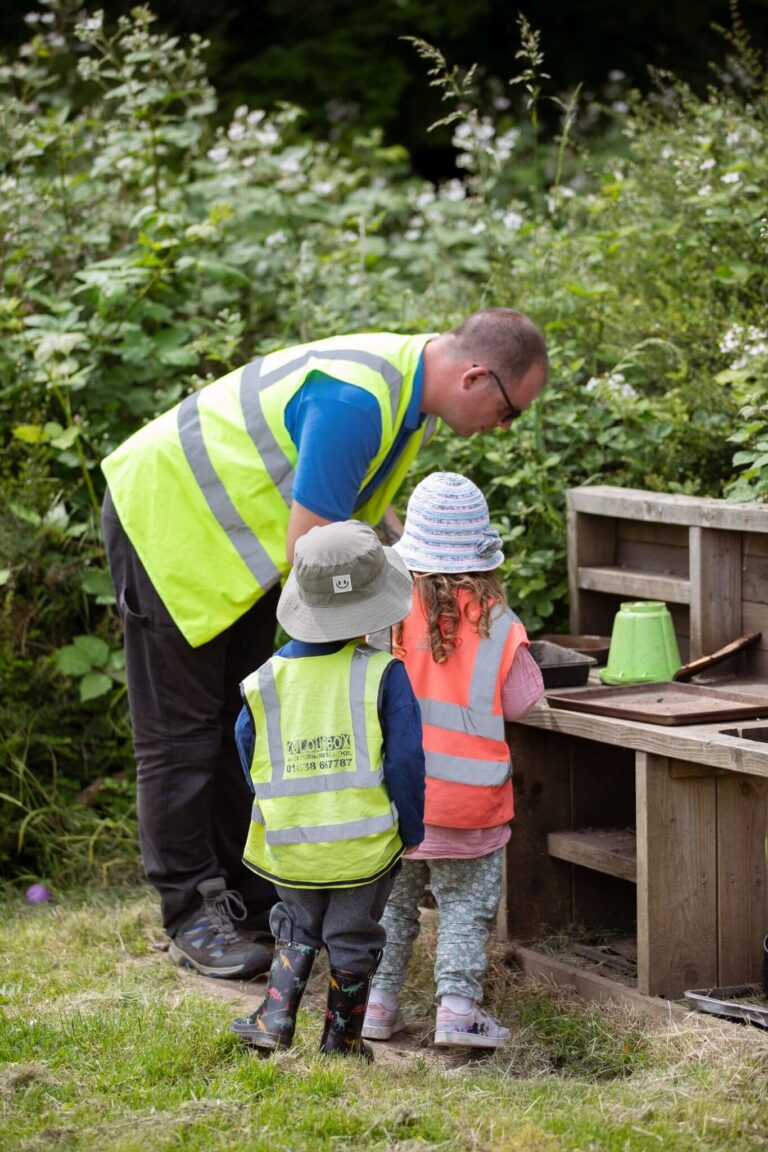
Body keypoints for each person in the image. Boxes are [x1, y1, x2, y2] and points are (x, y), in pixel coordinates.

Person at [100, 308, 548, 978]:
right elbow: (313, 555)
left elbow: (365, 514)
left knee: (240, 720)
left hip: (237, 557)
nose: (505, 428)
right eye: (510, 409)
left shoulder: (408, 399)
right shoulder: (357, 401)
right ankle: (191, 912)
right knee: (183, 734)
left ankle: (249, 896)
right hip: (168, 526)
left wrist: (434, 588)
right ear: (477, 376)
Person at [361, 472, 545, 1049]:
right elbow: (523, 699)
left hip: (398, 799)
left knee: (393, 906)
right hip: (471, 805)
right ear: (483, 557)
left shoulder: (386, 615)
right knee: (464, 906)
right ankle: (458, 1012)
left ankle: (378, 1006)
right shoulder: (500, 624)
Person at [229, 520, 425, 1060]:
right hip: (364, 847)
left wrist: (276, 803)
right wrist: (412, 826)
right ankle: (341, 1040)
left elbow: (249, 751)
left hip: (290, 841)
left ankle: (274, 1020)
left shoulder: (264, 680)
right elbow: (406, 761)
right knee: (353, 932)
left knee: (293, 923)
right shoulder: (382, 675)